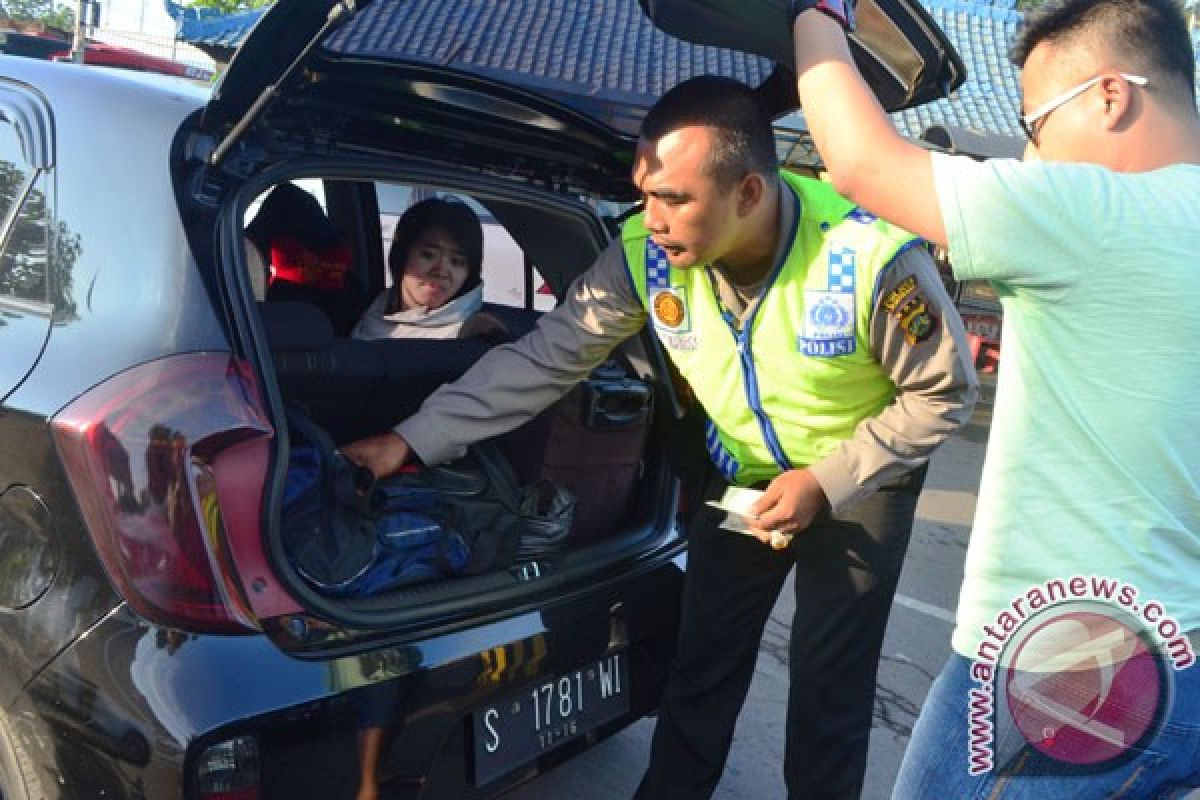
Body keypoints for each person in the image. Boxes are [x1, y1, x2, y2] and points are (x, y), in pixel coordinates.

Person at [343, 74, 977, 799]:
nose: (653, 218)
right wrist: (413, 438)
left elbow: (943, 393)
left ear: (748, 193)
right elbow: (544, 357)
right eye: (645, 193)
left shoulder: (869, 257)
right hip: (741, 475)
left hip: (863, 478)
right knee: (701, 668)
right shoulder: (645, 251)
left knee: (829, 688)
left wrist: (825, 482)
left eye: (674, 198)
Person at [787, 0, 1200, 796]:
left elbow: (860, 162)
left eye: (1035, 124)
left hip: (1070, 672)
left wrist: (819, 11)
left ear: (1111, 96)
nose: (1029, 155)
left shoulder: (1094, 212)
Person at [352, 196, 506, 341]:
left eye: (457, 262)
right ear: (401, 255)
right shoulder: (374, 307)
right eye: (428, 255)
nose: (441, 271)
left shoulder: (471, 336)